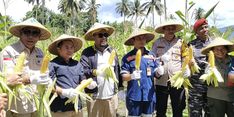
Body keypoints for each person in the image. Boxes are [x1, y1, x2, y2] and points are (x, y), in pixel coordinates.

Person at [0, 18, 52, 117]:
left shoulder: (40, 53)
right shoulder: (9, 51)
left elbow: (45, 73)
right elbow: (10, 79)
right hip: (18, 105)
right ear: (20, 34)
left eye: (35, 33)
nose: (31, 36)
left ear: (39, 36)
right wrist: (30, 79)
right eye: (27, 32)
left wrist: (47, 79)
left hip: (37, 102)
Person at [48, 34, 97, 117]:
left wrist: (88, 84)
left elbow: (82, 79)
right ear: (59, 49)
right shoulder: (52, 65)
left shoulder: (77, 64)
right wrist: (63, 92)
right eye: (66, 47)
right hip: (60, 109)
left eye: (71, 47)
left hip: (77, 107)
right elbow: (49, 85)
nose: (70, 50)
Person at [80, 23, 123, 117]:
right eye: (100, 35)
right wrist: (95, 72)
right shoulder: (87, 53)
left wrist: (120, 87)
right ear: (93, 36)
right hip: (95, 98)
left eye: (105, 35)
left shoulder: (112, 51)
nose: (103, 37)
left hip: (111, 97)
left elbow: (117, 70)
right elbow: (83, 70)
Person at [121, 28, 162, 117]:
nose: (142, 40)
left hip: (149, 96)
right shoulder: (127, 58)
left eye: (143, 38)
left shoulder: (151, 55)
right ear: (133, 40)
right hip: (134, 96)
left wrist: (160, 71)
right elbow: (124, 76)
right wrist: (131, 76)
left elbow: (156, 74)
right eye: (139, 38)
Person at [152, 20, 188, 117]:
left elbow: (185, 58)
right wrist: (157, 67)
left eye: (173, 29)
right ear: (163, 30)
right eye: (168, 28)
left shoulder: (181, 43)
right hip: (161, 80)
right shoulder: (157, 43)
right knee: (160, 109)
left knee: (178, 108)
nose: (171, 30)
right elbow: (152, 59)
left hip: (177, 81)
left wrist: (186, 69)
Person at [201, 37, 234, 117]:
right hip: (216, 97)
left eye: (222, 48)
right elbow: (205, 81)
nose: (220, 51)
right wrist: (209, 72)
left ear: (226, 49)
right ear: (212, 51)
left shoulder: (232, 60)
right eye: (217, 49)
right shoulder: (209, 62)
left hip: (232, 96)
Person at [188, 18, 212, 117]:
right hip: (195, 87)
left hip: (211, 86)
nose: (205, 29)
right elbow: (185, 63)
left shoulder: (214, 44)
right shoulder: (191, 45)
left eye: (206, 27)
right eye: (201, 28)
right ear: (196, 32)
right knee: (195, 113)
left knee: (210, 113)